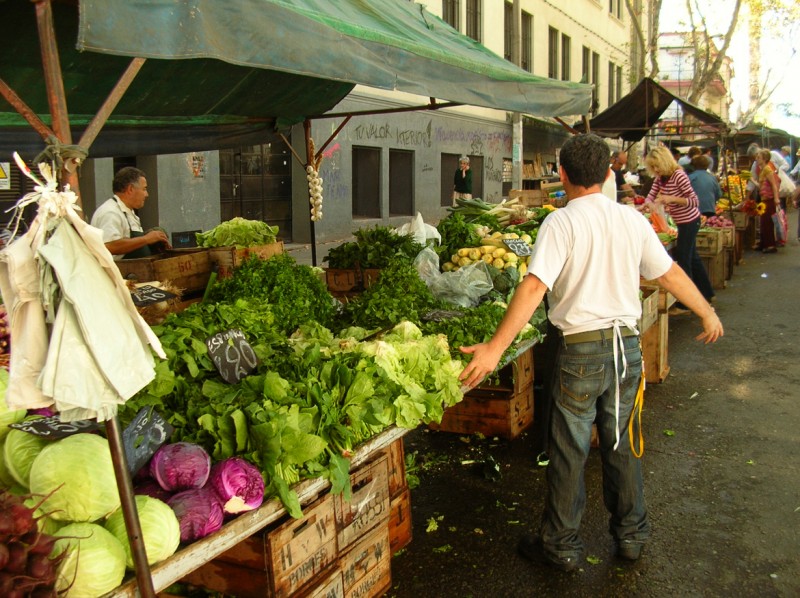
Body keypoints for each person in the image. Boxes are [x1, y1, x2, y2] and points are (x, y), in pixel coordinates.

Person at [458, 133, 723, 573]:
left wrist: (493, 349)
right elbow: (670, 273)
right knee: (621, 445)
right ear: (607, 174)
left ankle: (561, 545)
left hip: (580, 351)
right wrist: (706, 311)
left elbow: (534, 285)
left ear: (562, 176)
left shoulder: (560, 223)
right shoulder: (631, 220)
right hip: (626, 351)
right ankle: (632, 536)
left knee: (570, 449)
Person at [644, 147, 715, 310]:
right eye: (652, 167)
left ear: (664, 161)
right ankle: (707, 293)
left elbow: (694, 201)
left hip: (690, 221)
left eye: (657, 166)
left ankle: (686, 302)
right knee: (693, 258)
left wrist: (671, 198)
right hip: (681, 221)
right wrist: (648, 204)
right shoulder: (660, 178)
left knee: (684, 259)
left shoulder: (679, 176)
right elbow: (651, 194)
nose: (655, 170)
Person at [91, 167, 171, 261]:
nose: (146, 194)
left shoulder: (129, 211)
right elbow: (109, 246)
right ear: (130, 189)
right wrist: (146, 239)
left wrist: (154, 240)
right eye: (144, 189)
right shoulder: (110, 212)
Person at [755, 149, 780, 253]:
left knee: (768, 223)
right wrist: (751, 179)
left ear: (764, 159)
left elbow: (774, 184)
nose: (756, 159)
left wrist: (776, 198)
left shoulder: (768, 170)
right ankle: (764, 243)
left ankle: (770, 245)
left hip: (769, 199)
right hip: (763, 199)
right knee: (763, 223)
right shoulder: (763, 169)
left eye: (759, 157)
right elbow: (760, 186)